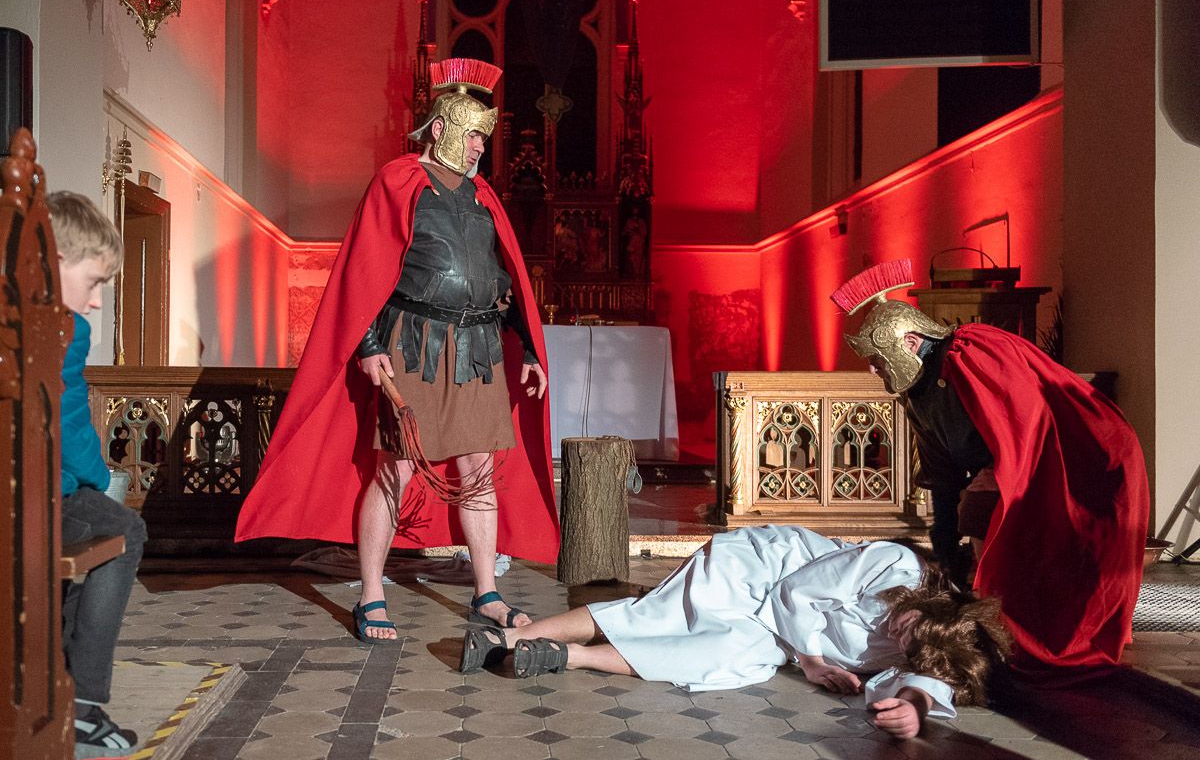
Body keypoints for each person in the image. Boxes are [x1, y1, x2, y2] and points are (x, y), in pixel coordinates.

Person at [235, 58, 559, 642]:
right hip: (415, 345)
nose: (480, 147)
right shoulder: (399, 180)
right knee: (397, 467)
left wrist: (530, 349)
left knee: (478, 470)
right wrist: (366, 342)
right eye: (472, 135)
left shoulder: (483, 196)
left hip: (479, 348)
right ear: (441, 127)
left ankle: (486, 592)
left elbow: (500, 279)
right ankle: (371, 595)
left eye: (484, 137)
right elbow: (364, 270)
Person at [831, 259, 1149, 669]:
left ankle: (1021, 625)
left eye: (877, 358)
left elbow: (1026, 418)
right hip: (1007, 466)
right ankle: (998, 621)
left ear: (909, 342)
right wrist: (945, 550)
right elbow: (942, 476)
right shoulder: (918, 395)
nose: (873, 368)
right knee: (978, 518)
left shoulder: (971, 350)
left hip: (1080, 452)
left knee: (999, 522)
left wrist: (1000, 472)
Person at [459, 525, 1011, 740]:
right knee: (657, 614)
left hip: (773, 636)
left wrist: (913, 706)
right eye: (912, 622)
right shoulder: (899, 566)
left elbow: (922, 684)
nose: (899, 629)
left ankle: (566, 657)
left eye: (909, 642)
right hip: (759, 571)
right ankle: (506, 640)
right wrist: (815, 662)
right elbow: (797, 593)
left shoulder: (919, 650)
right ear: (936, 604)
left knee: (722, 660)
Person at [50, 191, 148, 757]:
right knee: (125, 530)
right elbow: (68, 423)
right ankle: (82, 701)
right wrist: (97, 475)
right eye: (93, 282)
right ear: (56, 259)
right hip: (37, 498)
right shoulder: (62, 328)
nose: (92, 302)